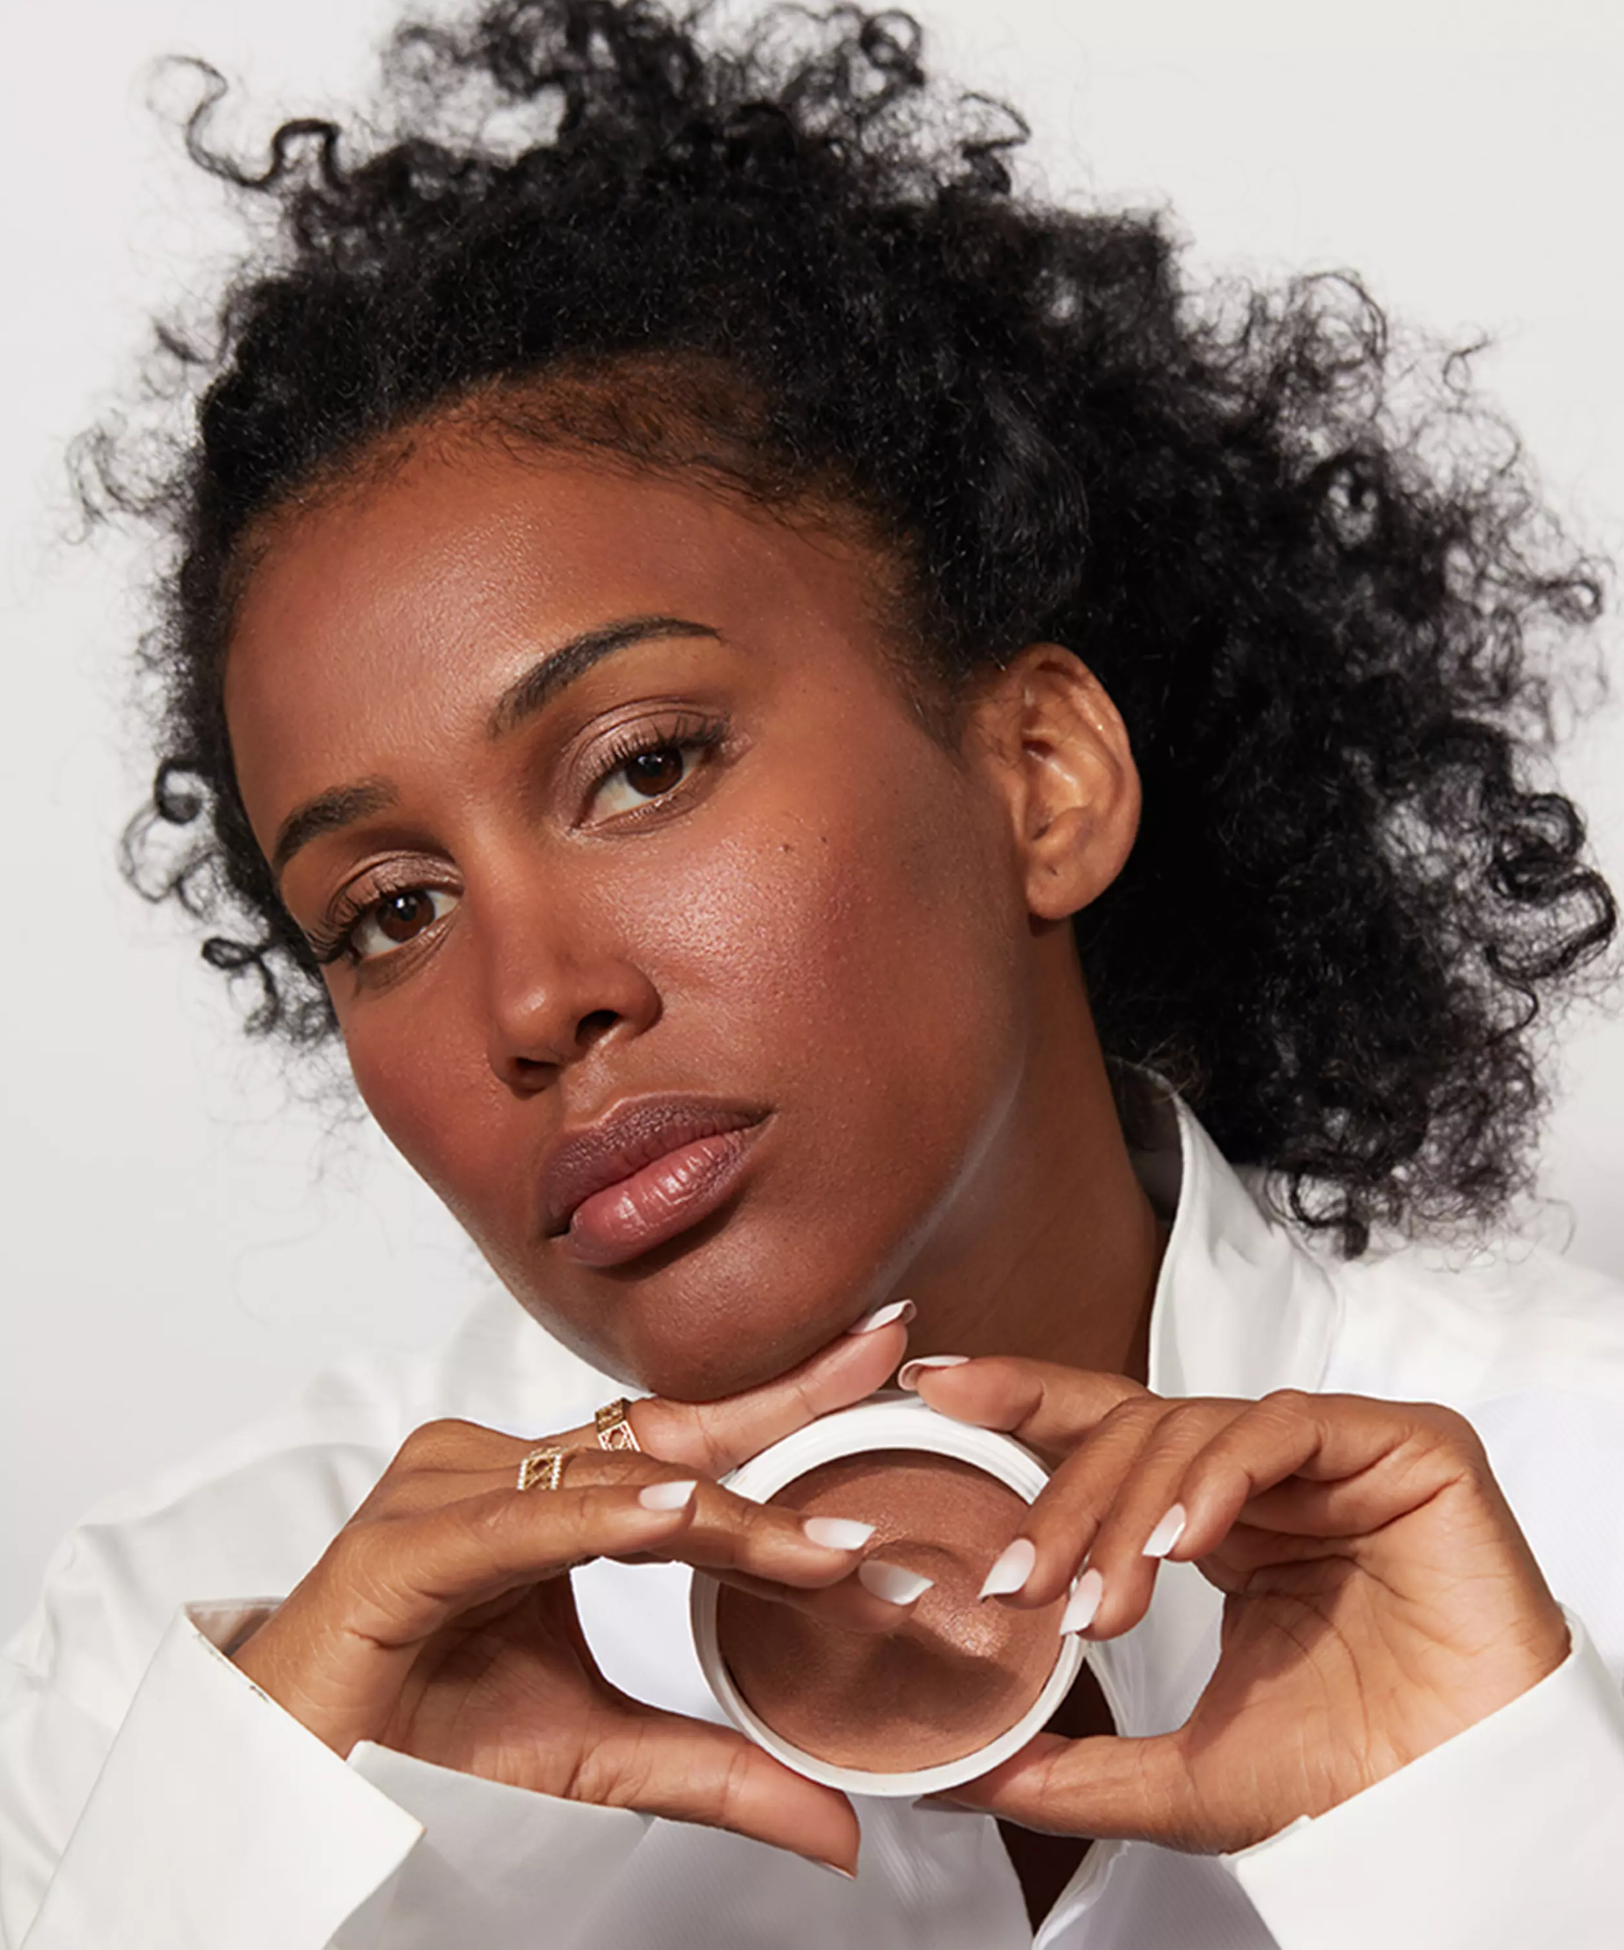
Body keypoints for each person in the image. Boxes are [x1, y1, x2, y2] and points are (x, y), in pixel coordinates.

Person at [5, 1, 1624, 1943]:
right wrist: (242, 1870)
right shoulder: (202, 1672)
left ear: (1039, 779)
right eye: (387, 910)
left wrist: (1499, 1850)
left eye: (644, 766)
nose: (532, 1004)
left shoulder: (1577, 1503)